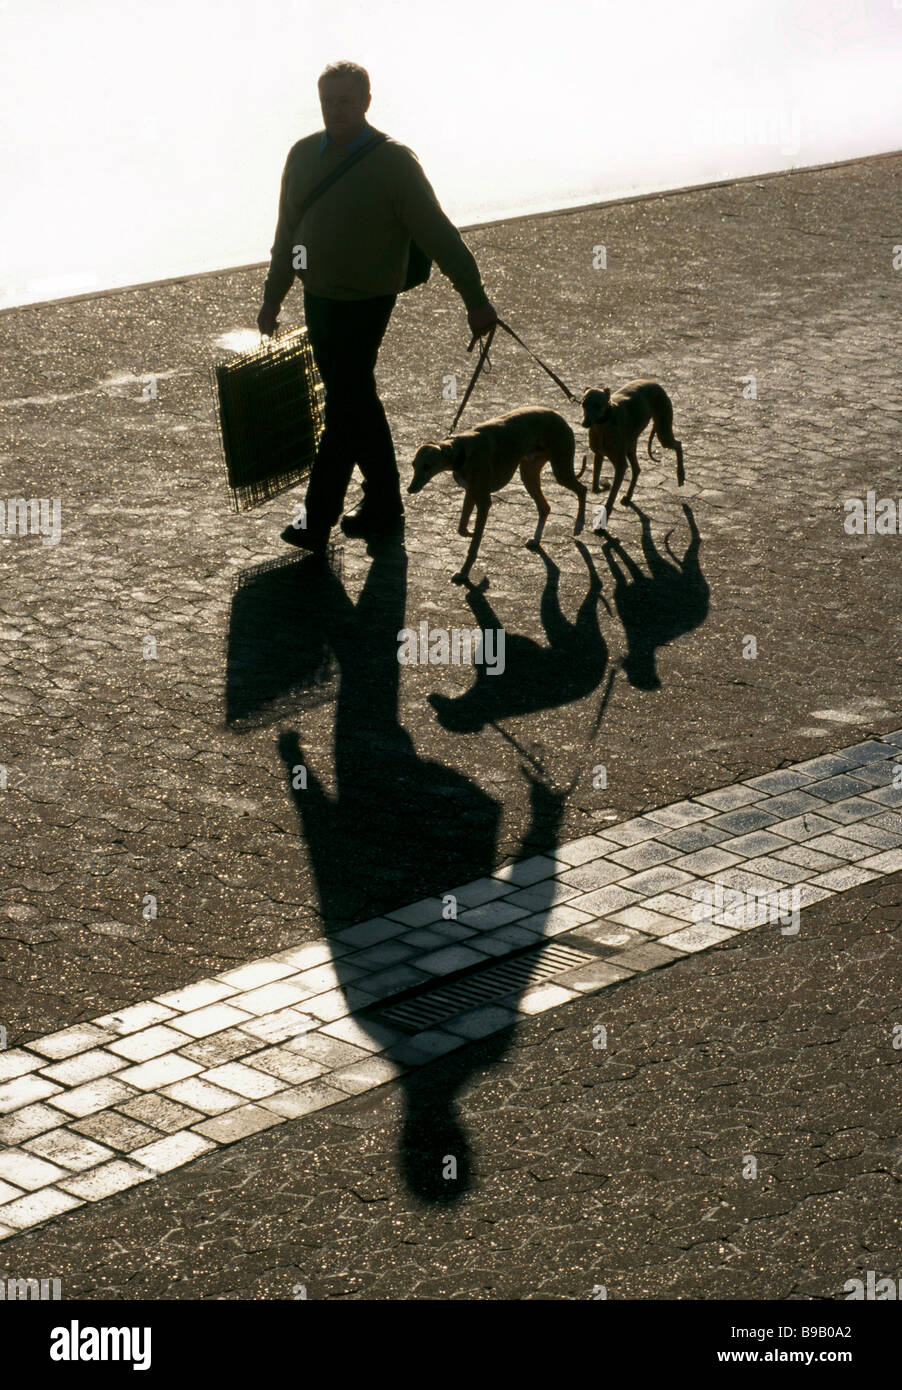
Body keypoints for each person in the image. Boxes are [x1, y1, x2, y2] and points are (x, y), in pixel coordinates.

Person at [257, 60, 498, 549]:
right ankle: (384, 505)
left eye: (346, 101)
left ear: (366, 102)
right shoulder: (303, 156)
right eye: (328, 101)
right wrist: (272, 298)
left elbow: (438, 234)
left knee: (345, 404)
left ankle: (317, 520)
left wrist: (475, 298)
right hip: (317, 297)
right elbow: (286, 234)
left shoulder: (393, 161)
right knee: (355, 401)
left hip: (368, 301)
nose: (336, 110)